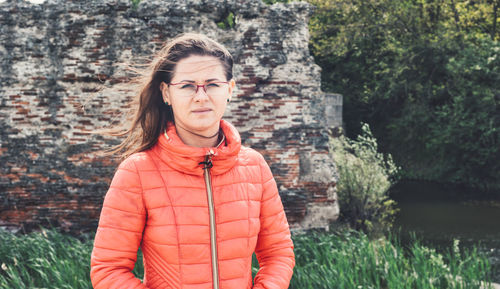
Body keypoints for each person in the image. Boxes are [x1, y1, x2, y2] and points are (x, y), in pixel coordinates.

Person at [90, 33, 295, 289]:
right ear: (166, 93)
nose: (201, 96)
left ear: (229, 90)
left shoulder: (255, 167)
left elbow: (278, 253)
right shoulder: (137, 171)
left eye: (212, 84)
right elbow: (109, 270)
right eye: (187, 86)